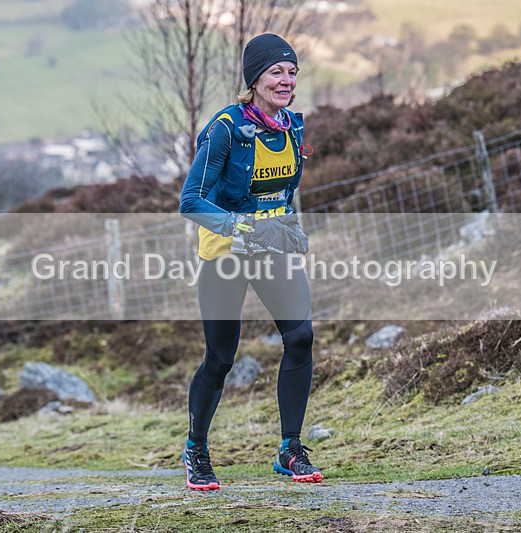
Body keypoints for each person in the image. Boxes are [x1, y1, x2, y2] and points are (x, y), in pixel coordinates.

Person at [179, 33, 322, 491]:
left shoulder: (290, 126)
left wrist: (285, 225)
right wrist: (244, 228)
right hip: (225, 254)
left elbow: (277, 190)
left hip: (271, 251)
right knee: (221, 357)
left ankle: (290, 449)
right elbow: (190, 201)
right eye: (277, 72)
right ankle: (196, 450)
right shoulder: (225, 128)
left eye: (292, 72)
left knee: (300, 337)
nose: (287, 80)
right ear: (255, 79)